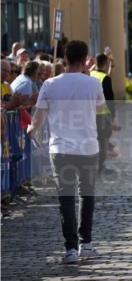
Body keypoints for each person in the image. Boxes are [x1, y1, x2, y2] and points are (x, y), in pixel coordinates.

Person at [27, 40, 106, 264]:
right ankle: (86, 243)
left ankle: (71, 249)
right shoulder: (93, 83)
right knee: (87, 195)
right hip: (88, 146)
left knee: (66, 197)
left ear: (65, 57)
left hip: (60, 148)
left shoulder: (50, 84)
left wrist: (32, 128)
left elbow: (39, 116)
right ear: (85, 58)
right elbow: (100, 108)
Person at [90, 53, 116, 175]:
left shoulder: (90, 74)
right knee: (102, 141)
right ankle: (100, 167)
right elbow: (110, 99)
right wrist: (113, 116)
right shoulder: (105, 78)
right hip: (102, 115)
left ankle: (91, 166)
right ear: (105, 64)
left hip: (89, 113)